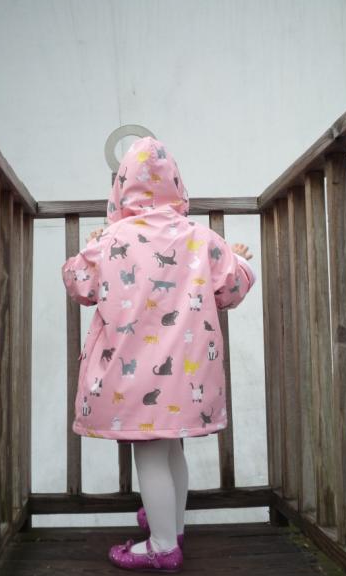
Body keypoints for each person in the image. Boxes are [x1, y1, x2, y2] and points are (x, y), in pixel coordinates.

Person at [61, 136, 256, 572]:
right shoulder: (200, 238)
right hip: (186, 377)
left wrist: (87, 247)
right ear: (177, 186)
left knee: (149, 456)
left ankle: (163, 545)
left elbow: (79, 284)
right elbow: (233, 287)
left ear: (120, 190)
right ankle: (174, 526)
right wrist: (244, 263)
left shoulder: (111, 240)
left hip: (134, 379)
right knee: (171, 452)